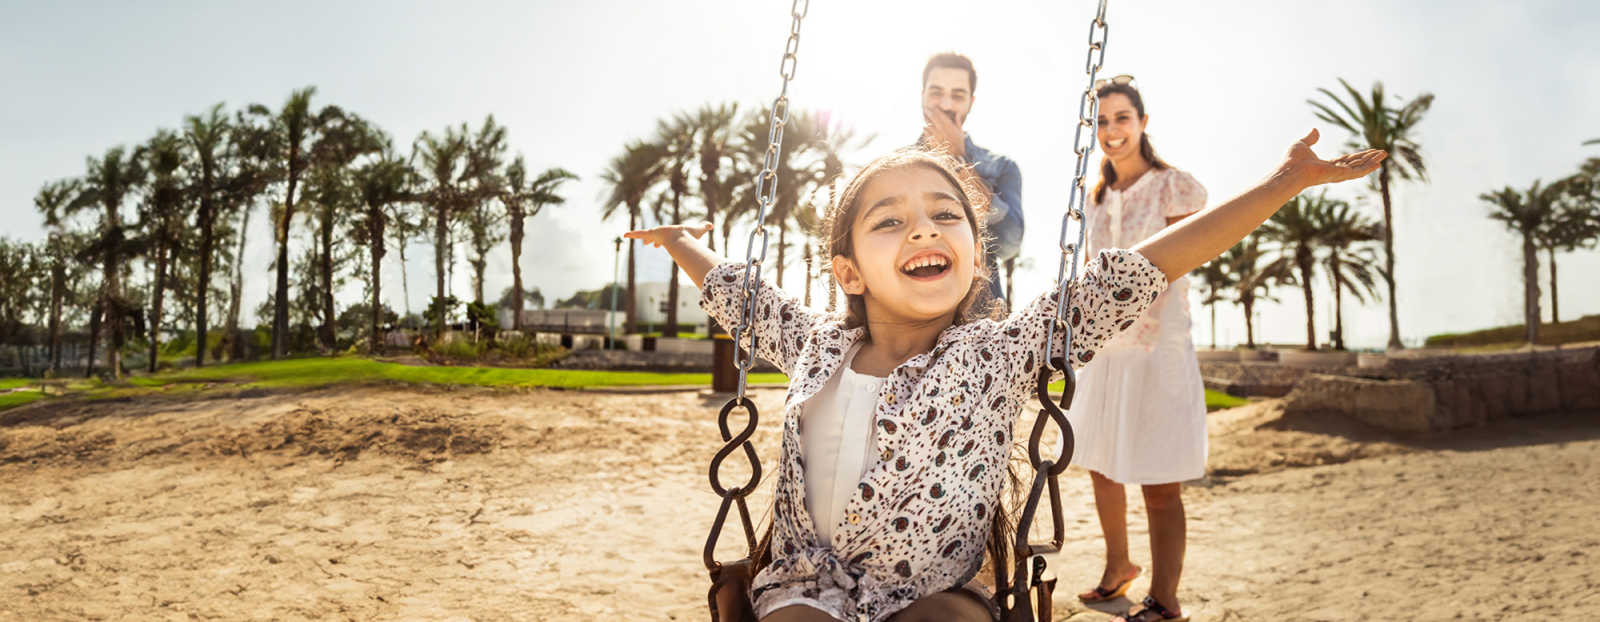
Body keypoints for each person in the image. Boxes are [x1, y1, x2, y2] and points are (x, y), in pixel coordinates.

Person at [626, 133, 1383, 621]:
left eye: (944, 215)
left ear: (976, 261)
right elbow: (736, 291)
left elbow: (1143, 268)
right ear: (848, 271)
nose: (923, 228)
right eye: (890, 220)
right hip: (804, 585)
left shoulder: (999, 353)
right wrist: (683, 242)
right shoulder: (814, 345)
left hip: (935, 596)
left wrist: (1282, 182)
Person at [1065, 76, 1208, 622]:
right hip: (1107, 352)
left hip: (1157, 350)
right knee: (1100, 466)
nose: (1111, 131)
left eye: (1122, 118)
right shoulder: (1095, 199)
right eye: (1101, 122)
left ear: (1142, 122)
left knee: (1158, 480)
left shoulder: (1175, 187)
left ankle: (1166, 599)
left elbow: (1186, 259)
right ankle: (1118, 565)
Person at [916, 53, 1022, 308]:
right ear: (923, 96)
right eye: (936, 92)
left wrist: (957, 157)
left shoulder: (1001, 167)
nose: (946, 104)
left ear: (971, 102)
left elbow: (1010, 242)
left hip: (982, 322)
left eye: (958, 95)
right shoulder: (892, 168)